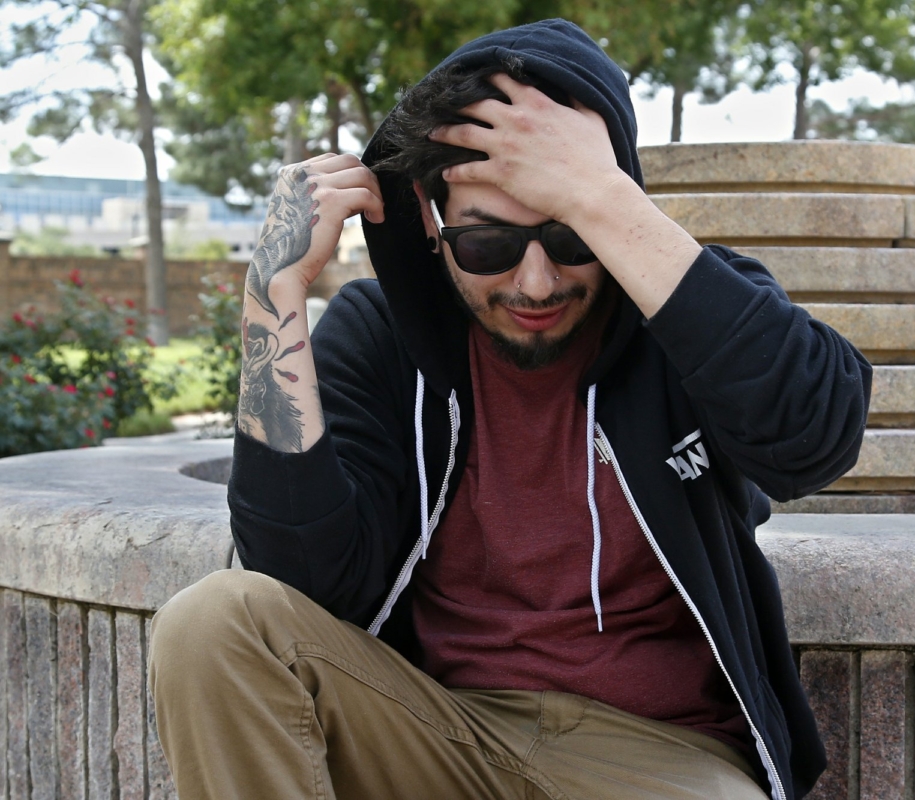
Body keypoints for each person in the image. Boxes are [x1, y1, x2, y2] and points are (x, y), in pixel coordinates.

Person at [148, 19, 871, 800]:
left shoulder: (688, 312)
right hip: (435, 732)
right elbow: (305, 577)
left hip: (665, 757)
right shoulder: (381, 336)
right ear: (431, 219)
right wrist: (273, 296)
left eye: (567, 235)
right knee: (214, 622)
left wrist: (599, 196)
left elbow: (814, 442)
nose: (534, 284)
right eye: (487, 245)